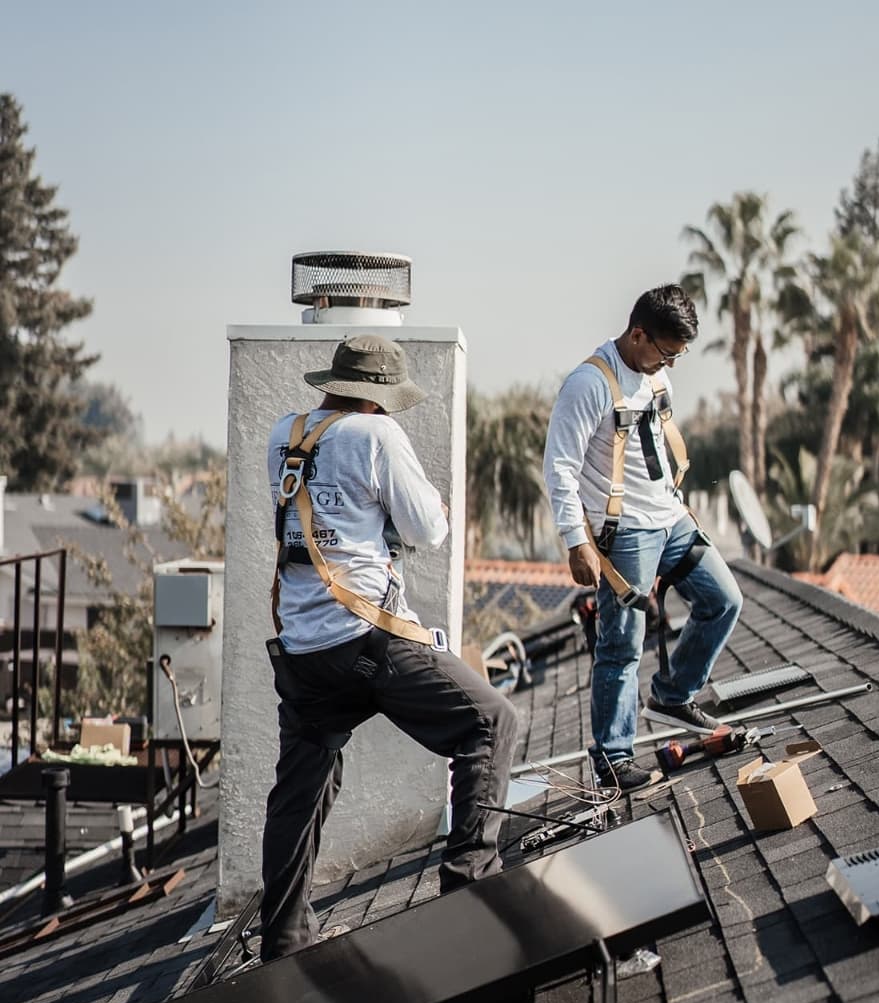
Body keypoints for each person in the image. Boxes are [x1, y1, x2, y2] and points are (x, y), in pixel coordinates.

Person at [260, 333, 518, 962]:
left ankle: (285, 938)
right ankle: (469, 892)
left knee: (303, 784)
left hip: (302, 650)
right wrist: (442, 509)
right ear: (378, 399)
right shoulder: (375, 437)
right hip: (364, 642)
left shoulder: (283, 435)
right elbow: (426, 527)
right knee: (490, 720)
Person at [543, 284, 742, 793]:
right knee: (621, 645)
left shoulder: (656, 378)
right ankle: (612, 759)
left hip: (671, 520)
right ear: (638, 335)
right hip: (625, 532)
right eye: (666, 353)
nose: (670, 365)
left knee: (723, 600)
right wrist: (576, 541)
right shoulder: (588, 385)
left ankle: (674, 694)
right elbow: (560, 468)